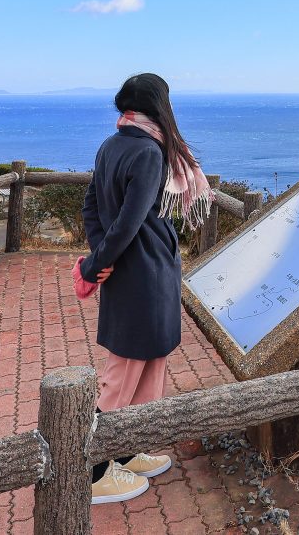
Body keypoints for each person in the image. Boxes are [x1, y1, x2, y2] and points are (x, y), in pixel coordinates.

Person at [78, 73, 213, 504]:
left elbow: (92, 207)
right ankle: (94, 471)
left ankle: (128, 448)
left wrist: (100, 255)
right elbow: (130, 223)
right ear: (159, 105)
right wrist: (98, 262)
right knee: (124, 372)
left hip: (134, 273)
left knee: (152, 359)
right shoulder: (150, 151)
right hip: (146, 273)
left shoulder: (111, 144)